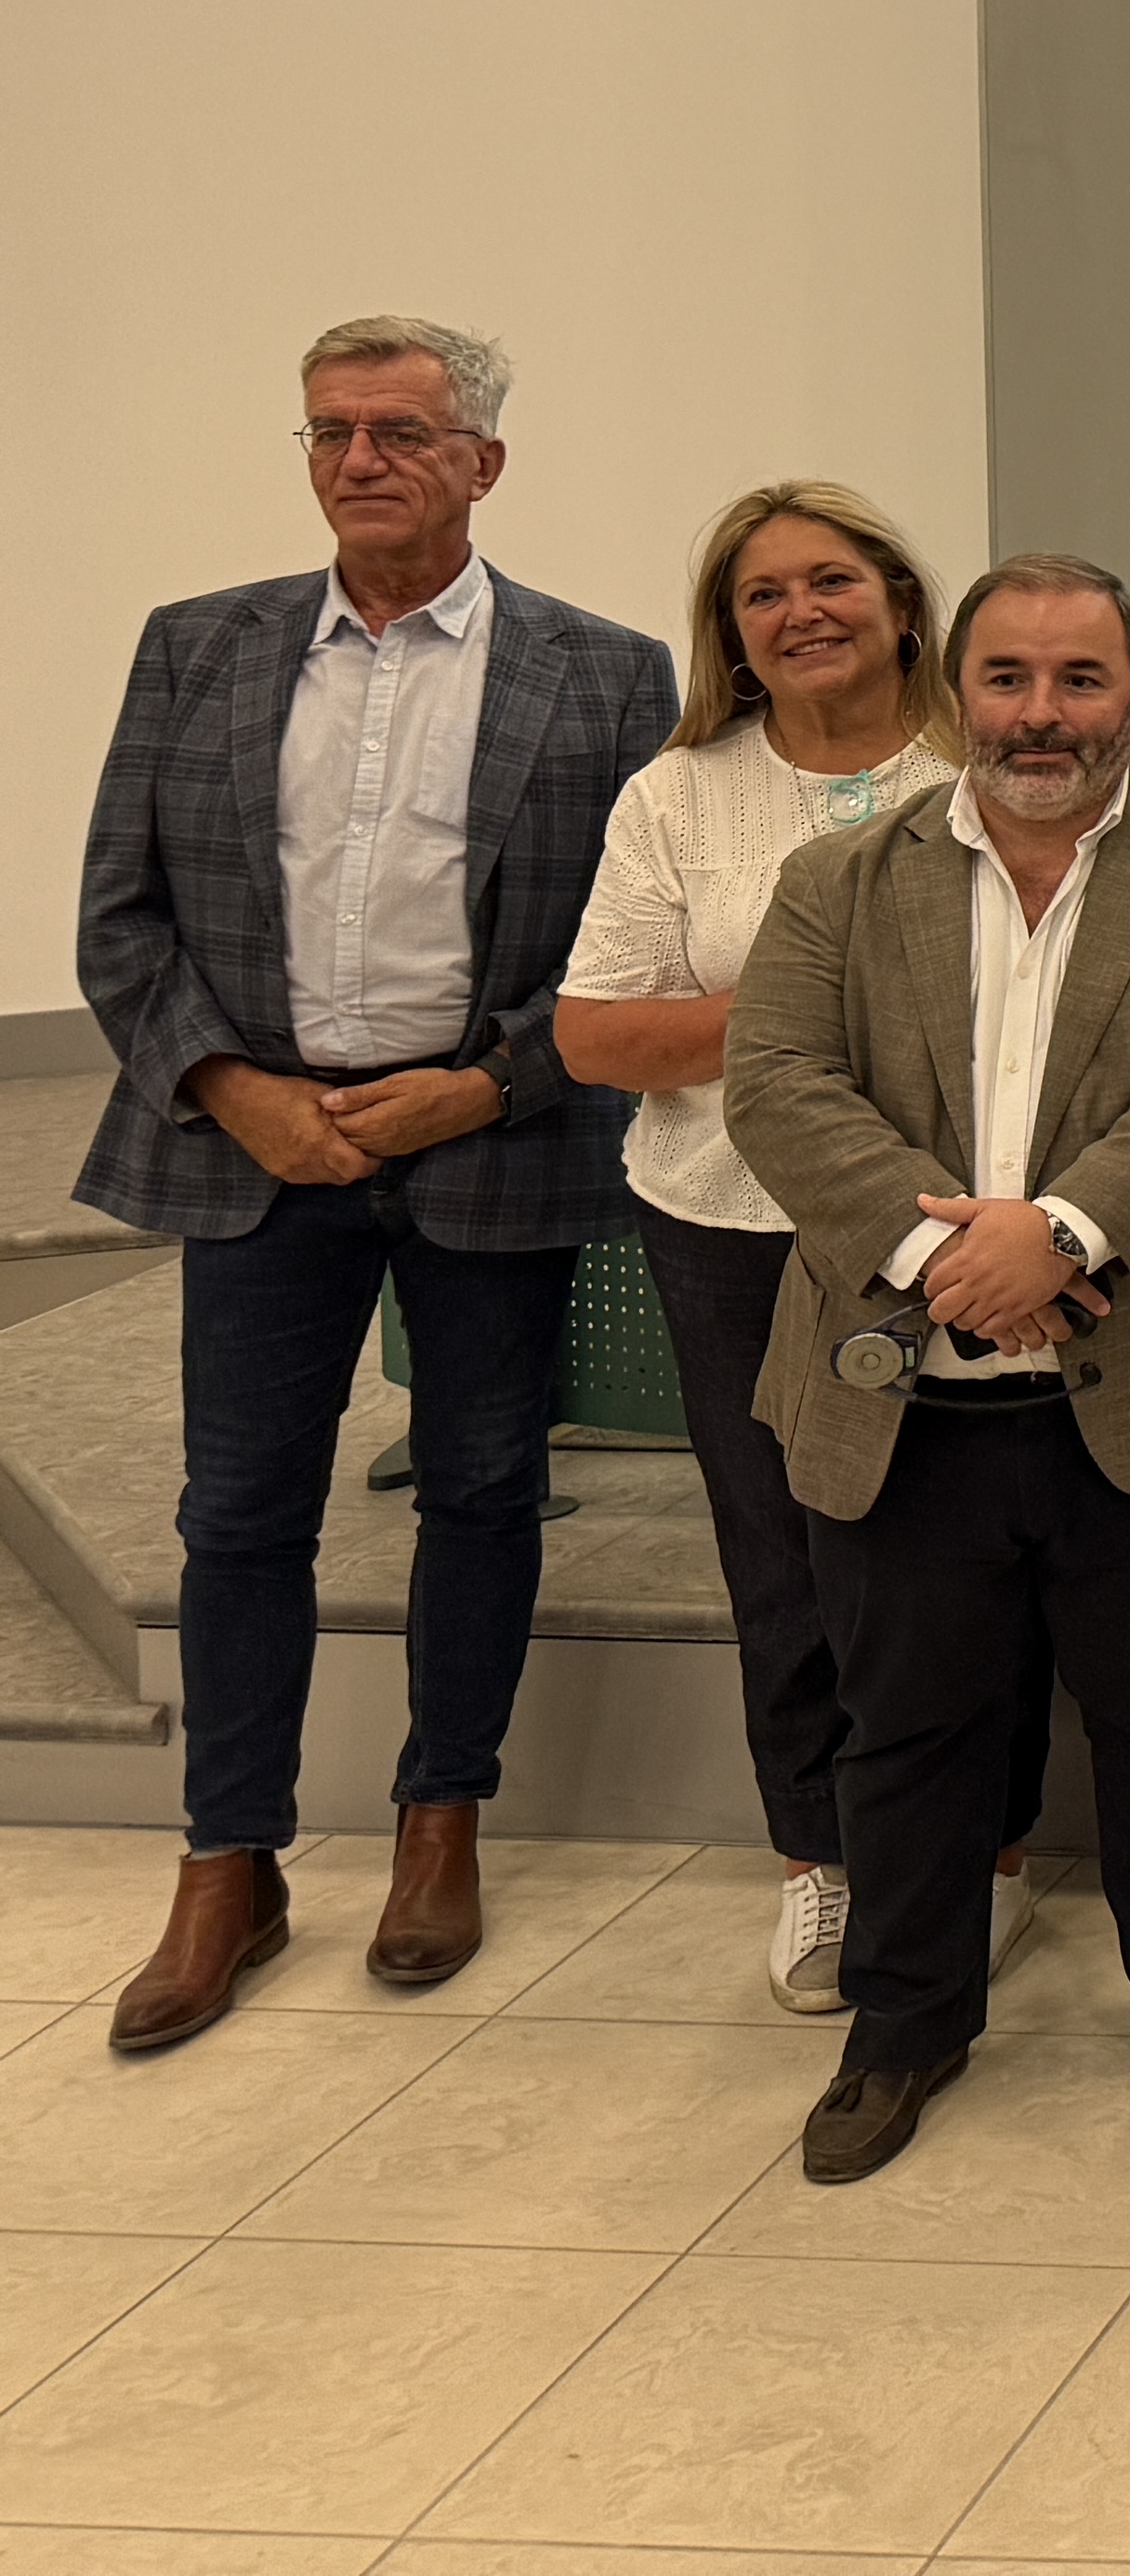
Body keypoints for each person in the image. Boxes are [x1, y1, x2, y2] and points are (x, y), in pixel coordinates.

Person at [85, 318, 674, 2054]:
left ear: (481, 462)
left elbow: (632, 942)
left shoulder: (605, 672)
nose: (361, 460)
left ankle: (441, 1822)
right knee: (237, 1514)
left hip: (487, 1132)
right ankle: (229, 1860)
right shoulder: (196, 647)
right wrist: (234, 1089)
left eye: (402, 432)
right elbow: (121, 915)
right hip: (258, 1145)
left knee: (484, 1491)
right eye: (332, 431)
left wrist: (486, 1084)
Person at [722, 553, 1130, 2183]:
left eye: (1079, 679)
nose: (1040, 714)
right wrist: (947, 1263)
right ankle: (901, 2026)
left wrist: (1055, 1236)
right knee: (905, 1733)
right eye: (1007, 678)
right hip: (899, 1396)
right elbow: (776, 1082)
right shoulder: (839, 882)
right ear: (957, 693)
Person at [559, 481, 1055, 2016]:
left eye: (831, 579)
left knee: (971, 1554)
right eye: (761, 594)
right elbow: (596, 1036)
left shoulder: (988, 768)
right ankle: (819, 1859)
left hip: (954, 1231)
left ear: (903, 603)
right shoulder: (677, 797)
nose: (800, 613)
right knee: (781, 1555)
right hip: (731, 1230)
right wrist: (810, 1010)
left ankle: (987, 1854)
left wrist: (771, 1023)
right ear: (729, 633)